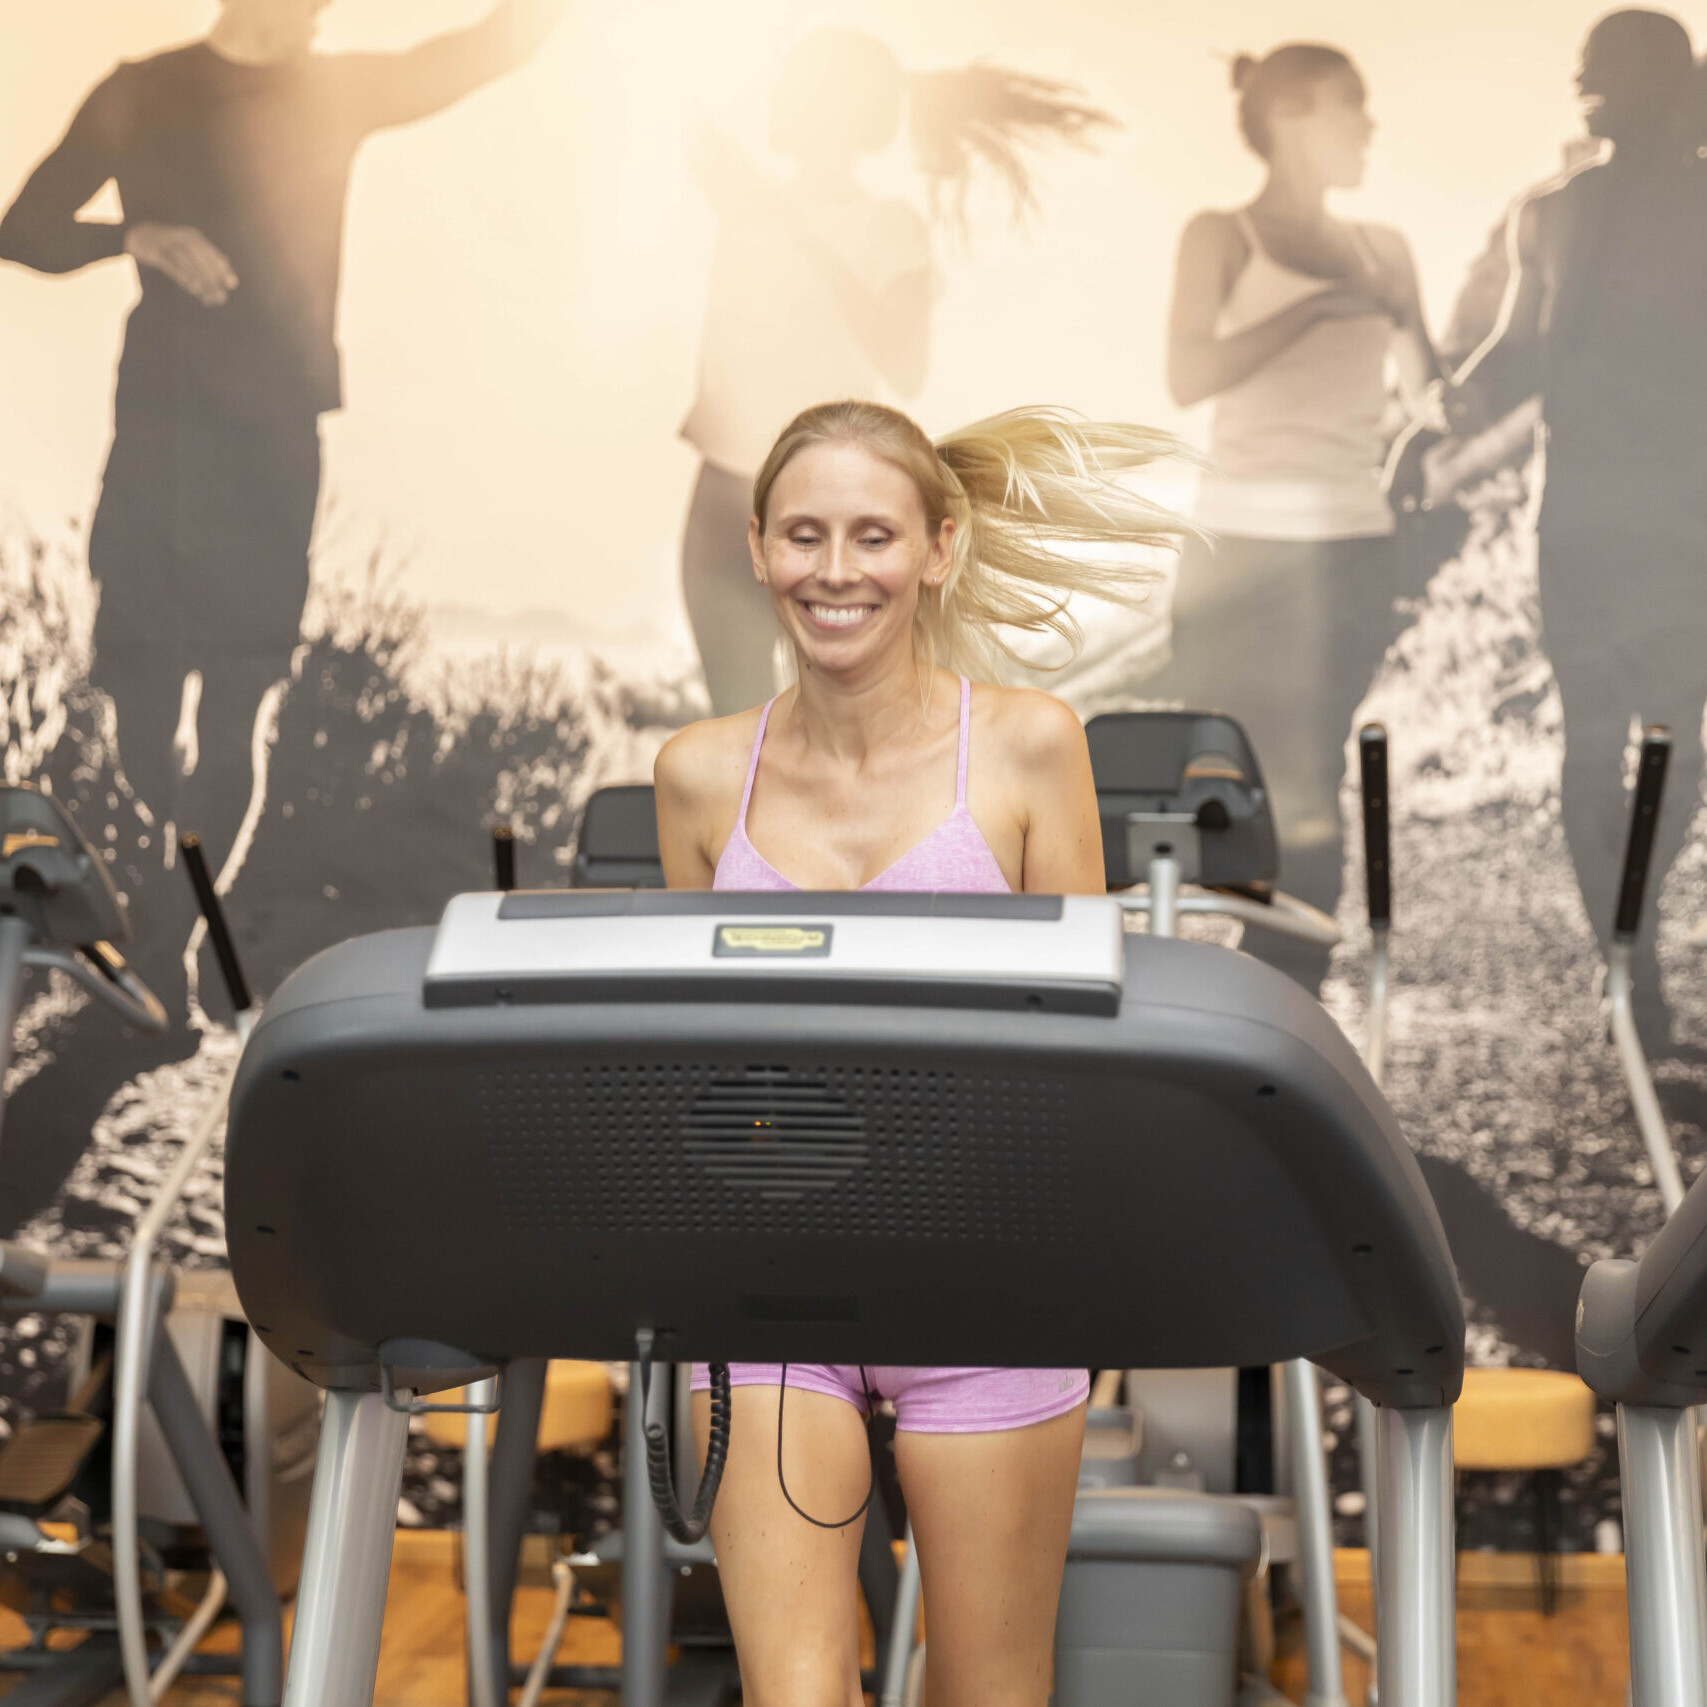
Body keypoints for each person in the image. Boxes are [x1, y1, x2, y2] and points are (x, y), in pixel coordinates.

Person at [0, 0, 564, 1228]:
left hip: (276, 441)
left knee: (242, 703)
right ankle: (160, 893)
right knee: (142, 708)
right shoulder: (141, 87)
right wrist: (131, 234)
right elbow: (22, 227)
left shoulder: (340, 89)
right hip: (159, 430)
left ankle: (177, 954)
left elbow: (489, 50)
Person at [654, 398, 1181, 1707]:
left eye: (872, 535)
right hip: (773, 1290)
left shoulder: (1023, 745)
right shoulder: (698, 776)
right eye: (804, 535)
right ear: (759, 549)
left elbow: (1086, 1047)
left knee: (989, 1694)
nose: (836, 570)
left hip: (986, 1281)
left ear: (938, 548)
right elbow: (687, 1064)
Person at [681, 30, 1112, 717]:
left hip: (832, 510)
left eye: (797, 85)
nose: (777, 98)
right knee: (738, 727)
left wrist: (798, 234)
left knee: (837, 722)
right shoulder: (745, 201)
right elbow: (672, 103)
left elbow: (905, 367)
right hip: (721, 504)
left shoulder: (889, 226)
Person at [1448, 8, 1707, 1054]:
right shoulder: (1558, 214)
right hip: (1659, 521)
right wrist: (1434, 415)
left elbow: (1510, 360)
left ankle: (1626, 958)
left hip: (1602, 522)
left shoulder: (1557, 214)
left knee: (1612, 744)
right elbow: (1516, 355)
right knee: (1656, 747)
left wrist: (1436, 413)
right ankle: (1628, 961)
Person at [1152, 42, 1437, 993]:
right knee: (1233, 779)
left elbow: (1424, 397)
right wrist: (1315, 312)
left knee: (1306, 769)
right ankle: (1239, 993)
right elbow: (1187, 374)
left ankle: (1281, 1009)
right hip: (1234, 551)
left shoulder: (1383, 250)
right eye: (1350, 107)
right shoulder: (1221, 236)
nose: (1368, 127)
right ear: (1289, 116)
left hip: (1350, 548)